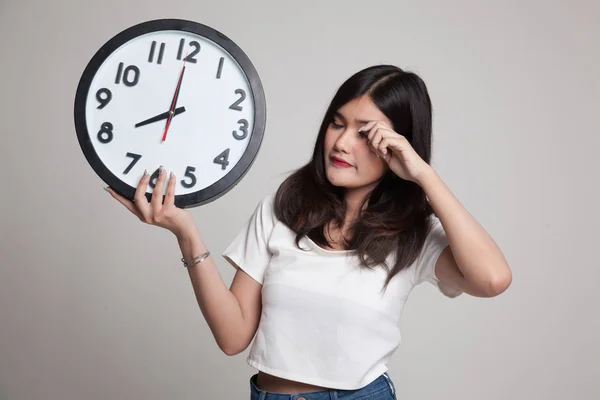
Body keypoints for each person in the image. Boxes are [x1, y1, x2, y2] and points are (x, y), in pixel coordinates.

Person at [105, 64, 512, 400]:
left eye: (365, 132)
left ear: (397, 145)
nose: (341, 142)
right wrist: (187, 234)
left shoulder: (414, 233)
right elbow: (233, 337)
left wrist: (423, 174)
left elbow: (493, 279)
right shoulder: (284, 209)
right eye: (337, 124)